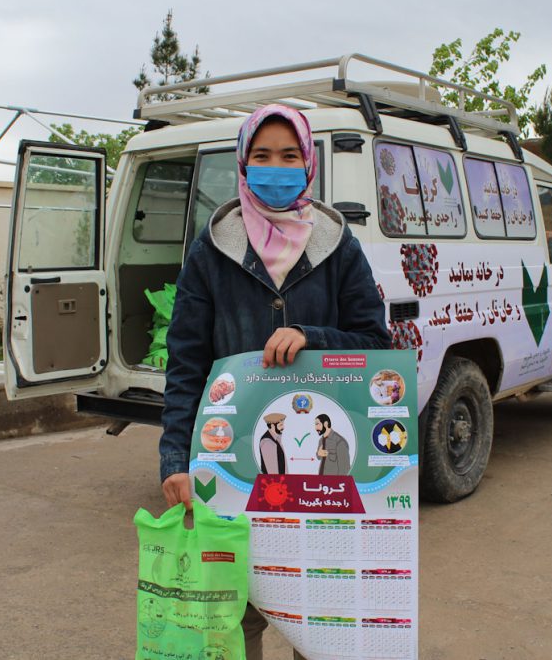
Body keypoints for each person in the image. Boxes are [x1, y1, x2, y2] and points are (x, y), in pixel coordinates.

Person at [158, 104, 391, 660]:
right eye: (261, 156)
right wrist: (175, 463)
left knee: (323, 608)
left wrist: (313, 336)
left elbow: (377, 345)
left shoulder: (338, 245)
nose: (276, 168)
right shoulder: (211, 250)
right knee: (237, 612)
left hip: (322, 479)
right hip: (232, 465)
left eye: (289, 156)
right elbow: (186, 366)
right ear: (242, 162)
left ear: (308, 163)